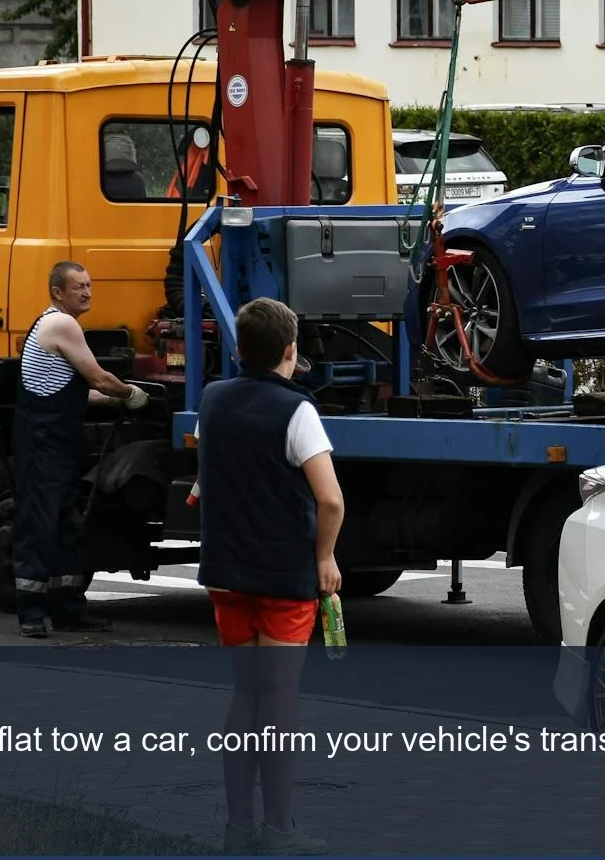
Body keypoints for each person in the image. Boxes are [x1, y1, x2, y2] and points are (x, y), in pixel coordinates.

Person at [196, 297, 344, 856]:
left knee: (245, 694)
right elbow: (330, 500)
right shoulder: (298, 411)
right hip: (283, 577)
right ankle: (280, 830)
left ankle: (237, 829)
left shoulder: (213, 400)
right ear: (291, 351)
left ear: (238, 350)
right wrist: (325, 558)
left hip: (228, 574)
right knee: (279, 700)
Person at [13, 261, 149, 639]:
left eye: (89, 285)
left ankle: (68, 607)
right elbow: (99, 378)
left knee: (67, 524)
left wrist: (110, 401)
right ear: (57, 292)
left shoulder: (55, 324)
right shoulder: (61, 324)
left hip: (57, 444)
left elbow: (74, 392)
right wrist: (131, 395)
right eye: (78, 287)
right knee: (40, 526)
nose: (87, 292)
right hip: (43, 446)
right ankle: (32, 611)